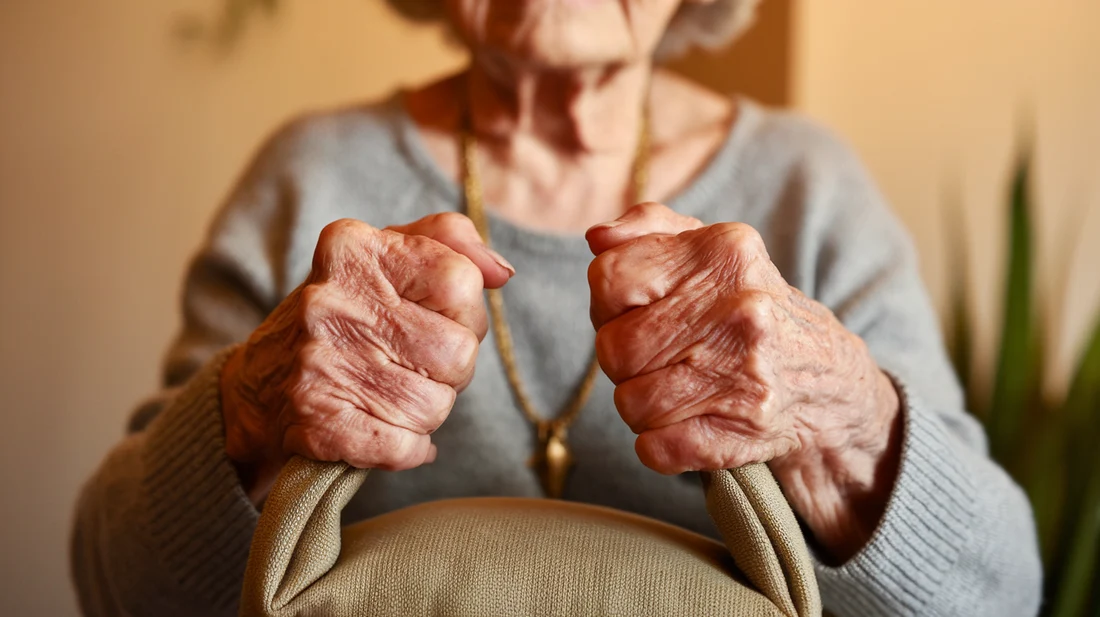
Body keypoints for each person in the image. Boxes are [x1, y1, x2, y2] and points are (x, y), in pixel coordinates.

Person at [71, 1, 1042, 615]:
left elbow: (996, 593)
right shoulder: (309, 174)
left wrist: (837, 416)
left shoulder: (806, 186)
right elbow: (119, 585)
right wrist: (250, 407)